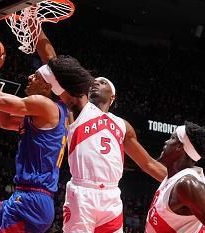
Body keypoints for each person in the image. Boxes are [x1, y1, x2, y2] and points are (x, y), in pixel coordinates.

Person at [0, 40, 93, 233]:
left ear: (47, 86)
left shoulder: (44, 105)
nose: (29, 77)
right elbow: (4, 120)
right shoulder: (48, 114)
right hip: (24, 198)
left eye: (35, 76)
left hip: (31, 202)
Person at [35, 30, 166, 232]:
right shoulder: (79, 108)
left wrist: (183, 180)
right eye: (94, 81)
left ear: (112, 97)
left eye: (103, 82)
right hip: (82, 192)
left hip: (111, 196)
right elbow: (55, 66)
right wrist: (37, 29)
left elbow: (148, 163)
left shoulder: (123, 125)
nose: (96, 82)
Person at [145, 122, 205, 233]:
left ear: (179, 146)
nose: (166, 142)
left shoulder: (187, 184)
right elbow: (148, 164)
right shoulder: (174, 178)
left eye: (172, 138)